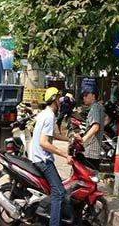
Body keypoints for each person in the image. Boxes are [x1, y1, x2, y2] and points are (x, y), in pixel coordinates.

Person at [30, 87, 73, 226]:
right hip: (43, 160)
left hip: (37, 157)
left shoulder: (45, 113)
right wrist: (65, 155)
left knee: (55, 188)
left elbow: (51, 134)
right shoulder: (49, 116)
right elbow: (44, 142)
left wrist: (69, 139)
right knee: (59, 192)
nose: (61, 101)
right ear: (54, 99)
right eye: (59, 98)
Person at [74, 89, 105, 164]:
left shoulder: (94, 108)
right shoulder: (99, 107)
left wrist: (83, 139)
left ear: (93, 96)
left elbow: (95, 127)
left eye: (86, 95)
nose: (84, 97)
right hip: (95, 151)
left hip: (90, 151)